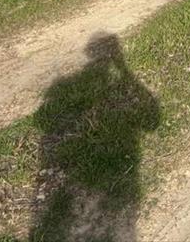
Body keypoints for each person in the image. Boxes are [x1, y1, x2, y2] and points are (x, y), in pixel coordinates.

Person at [30, 33, 159, 241]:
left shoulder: (66, 88)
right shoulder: (110, 86)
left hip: (80, 182)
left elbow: (42, 120)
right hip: (111, 181)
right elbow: (152, 121)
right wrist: (125, 70)